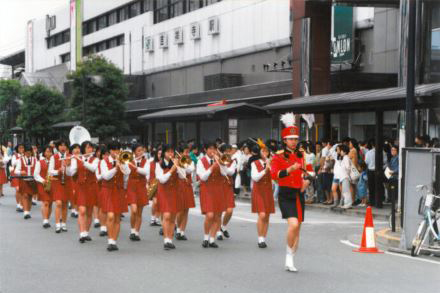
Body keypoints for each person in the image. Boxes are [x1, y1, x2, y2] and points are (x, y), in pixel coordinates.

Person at [270, 113, 305, 272]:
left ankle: (292, 255)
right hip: (286, 194)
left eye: (295, 139)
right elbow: (274, 175)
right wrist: (289, 169)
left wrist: (307, 180)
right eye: (291, 139)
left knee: (297, 229)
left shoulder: (301, 154)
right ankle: (288, 256)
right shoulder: (277, 157)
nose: (294, 141)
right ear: (284, 140)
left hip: (299, 193)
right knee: (293, 224)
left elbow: (309, 171)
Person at [197, 142, 226, 248]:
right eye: (210, 149)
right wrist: (213, 166)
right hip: (207, 189)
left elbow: (225, 173)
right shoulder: (201, 161)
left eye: (214, 149)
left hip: (218, 189)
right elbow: (203, 177)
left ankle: (212, 239)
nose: (212, 151)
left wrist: (221, 163)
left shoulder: (219, 160)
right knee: (210, 215)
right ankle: (205, 237)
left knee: (218, 215)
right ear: (205, 150)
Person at [101, 141, 129, 251]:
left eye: (118, 150)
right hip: (108, 190)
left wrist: (122, 164)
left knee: (117, 217)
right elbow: (106, 176)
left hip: (119, 190)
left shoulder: (123, 161)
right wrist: (115, 168)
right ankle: (110, 240)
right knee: (111, 215)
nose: (116, 152)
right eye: (114, 150)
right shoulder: (104, 162)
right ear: (110, 151)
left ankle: (114, 241)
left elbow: (127, 174)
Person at [155, 144, 181, 250]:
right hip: (164, 192)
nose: (170, 154)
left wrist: (180, 167)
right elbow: (162, 179)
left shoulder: (176, 163)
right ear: (163, 153)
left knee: (173, 217)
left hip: (174, 191)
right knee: (166, 216)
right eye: (168, 152)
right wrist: (172, 170)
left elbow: (183, 175)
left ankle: (170, 239)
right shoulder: (158, 164)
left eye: (172, 152)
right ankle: (166, 240)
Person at [251, 145, 275, 248]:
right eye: (263, 151)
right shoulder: (254, 163)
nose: (265, 153)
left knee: (267, 216)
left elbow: (276, 177)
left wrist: (273, 166)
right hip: (258, 190)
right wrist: (265, 170)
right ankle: (260, 238)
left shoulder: (272, 162)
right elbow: (255, 178)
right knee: (262, 215)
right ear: (260, 153)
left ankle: (263, 238)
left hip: (268, 190)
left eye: (267, 151)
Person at [126, 143, 149, 241]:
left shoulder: (146, 161)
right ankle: (132, 230)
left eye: (142, 150)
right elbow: (126, 172)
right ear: (134, 152)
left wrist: (135, 167)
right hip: (131, 186)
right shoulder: (129, 160)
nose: (141, 152)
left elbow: (145, 172)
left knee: (139, 212)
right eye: (139, 150)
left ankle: (136, 232)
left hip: (141, 186)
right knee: (134, 210)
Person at [176, 144, 195, 241]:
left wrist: (184, 163)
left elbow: (190, 170)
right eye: (186, 152)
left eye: (188, 152)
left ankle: (182, 231)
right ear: (181, 153)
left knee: (186, 209)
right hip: (179, 186)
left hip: (187, 186)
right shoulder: (177, 161)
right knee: (180, 209)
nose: (188, 154)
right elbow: (179, 174)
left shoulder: (190, 162)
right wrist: (179, 163)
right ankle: (178, 229)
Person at [217, 143, 237, 240]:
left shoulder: (233, 161)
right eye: (226, 151)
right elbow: (221, 172)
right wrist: (221, 161)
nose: (228, 153)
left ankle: (223, 226)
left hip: (228, 186)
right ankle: (217, 232)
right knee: (219, 210)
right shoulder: (218, 160)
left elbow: (230, 172)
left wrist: (223, 163)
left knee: (230, 210)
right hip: (219, 186)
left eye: (230, 151)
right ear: (223, 151)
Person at [15, 144, 37, 220]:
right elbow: (16, 171)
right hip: (23, 180)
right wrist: (21, 172)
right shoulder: (20, 160)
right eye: (26, 152)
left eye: (29, 152)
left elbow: (38, 170)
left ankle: (28, 211)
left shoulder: (35, 159)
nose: (28, 154)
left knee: (30, 196)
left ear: (31, 152)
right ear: (24, 153)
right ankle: (26, 212)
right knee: (25, 195)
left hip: (32, 181)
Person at [33, 145, 53, 228]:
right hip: (42, 183)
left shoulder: (54, 161)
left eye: (50, 151)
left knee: (50, 202)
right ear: (44, 153)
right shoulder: (39, 162)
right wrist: (43, 181)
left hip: (52, 184)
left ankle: (47, 218)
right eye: (47, 151)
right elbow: (35, 174)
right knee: (45, 202)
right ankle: (45, 220)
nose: (49, 153)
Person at [11, 144, 24, 212]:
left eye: (22, 148)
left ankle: (22, 204)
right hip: (16, 173)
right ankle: (18, 204)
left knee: (22, 189)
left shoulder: (25, 155)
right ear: (17, 149)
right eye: (20, 148)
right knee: (17, 189)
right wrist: (20, 157)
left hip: (23, 174)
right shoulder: (14, 156)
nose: (21, 149)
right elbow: (13, 163)